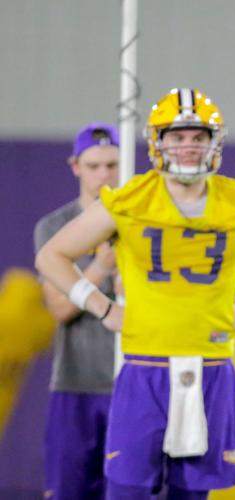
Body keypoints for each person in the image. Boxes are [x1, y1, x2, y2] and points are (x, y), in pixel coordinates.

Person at [35, 88, 235, 499]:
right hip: (145, 365)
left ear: (214, 142)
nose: (187, 147)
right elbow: (52, 255)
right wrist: (103, 308)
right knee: (126, 490)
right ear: (158, 141)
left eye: (197, 137)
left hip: (211, 367)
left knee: (192, 492)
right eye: (177, 136)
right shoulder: (130, 200)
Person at [33, 123, 120, 499]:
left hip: (130, 382)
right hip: (77, 382)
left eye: (112, 164)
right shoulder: (55, 227)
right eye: (94, 165)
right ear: (76, 167)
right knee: (70, 489)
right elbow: (60, 307)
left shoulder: (140, 221)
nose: (104, 174)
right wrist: (101, 266)